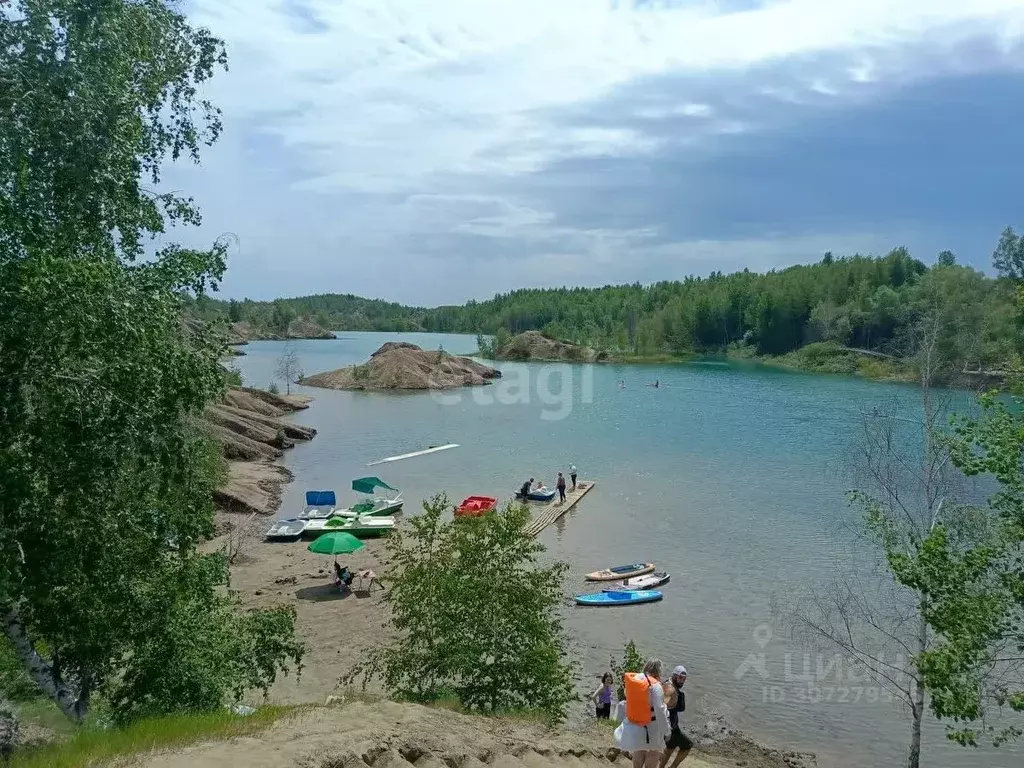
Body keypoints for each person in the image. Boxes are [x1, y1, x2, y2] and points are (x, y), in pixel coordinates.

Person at [613, 658, 670, 768]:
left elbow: (628, 697)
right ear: (658, 672)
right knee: (653, 754)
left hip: (635, 726)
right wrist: (666, 731)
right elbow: (660, 711)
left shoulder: (635, 679)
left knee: (638, 752)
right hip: (653, 728)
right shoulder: (655, 686)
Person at [660, 665, 692, 768]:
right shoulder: (669, 687)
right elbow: (666, 705)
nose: (681, 681)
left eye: (684, 679)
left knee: (670, 748)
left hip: (672, 726)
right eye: (680, 678)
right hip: (670, 727)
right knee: (687, 745)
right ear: (674, 675)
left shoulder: (672, 687)